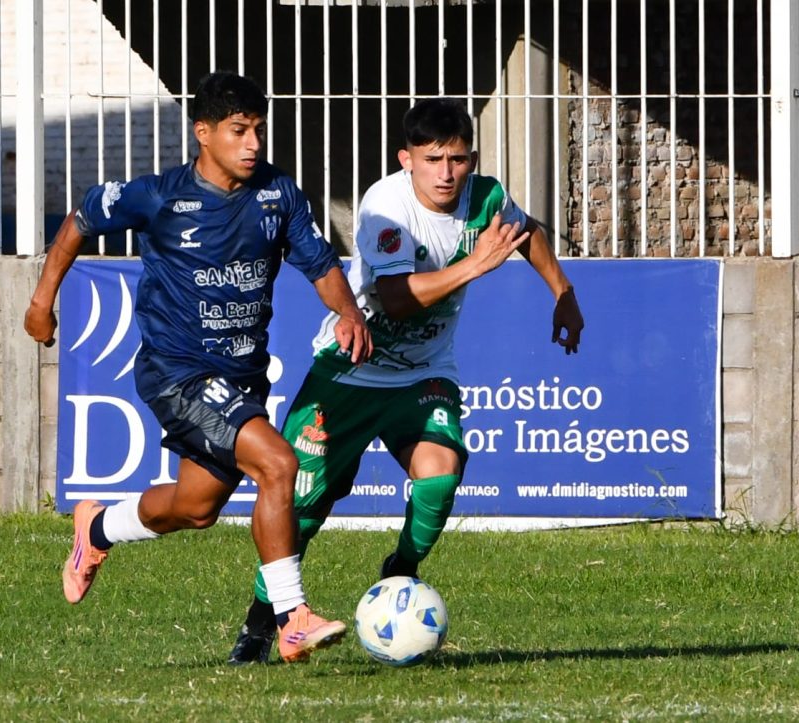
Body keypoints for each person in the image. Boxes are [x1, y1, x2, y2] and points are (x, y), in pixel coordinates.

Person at [24, 71, 372, 663]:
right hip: (176, 371)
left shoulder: (278, 195)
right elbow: (81, 220)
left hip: (240, 376)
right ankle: (293, 618)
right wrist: (40, 301)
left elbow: (319, 264)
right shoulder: (160, 196)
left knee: (196, 506)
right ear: (203, 133)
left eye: (259, 130)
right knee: (278, 462)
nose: (253, 143)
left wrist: (348, 314)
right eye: (239, 131)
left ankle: (97, 529)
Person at [227, 97, 584, 665]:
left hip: (424, 374)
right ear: (406, 158)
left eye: (459, 159)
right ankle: (259, 627)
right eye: (433, 158)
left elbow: (527, 230)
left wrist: (562, 293)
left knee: (441, 476)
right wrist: (475, 265)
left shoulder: (485, 198)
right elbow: (396, 297)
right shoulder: (385, 205)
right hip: (349, 370)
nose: (447, 173)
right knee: (304, 509)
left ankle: (400, 573)